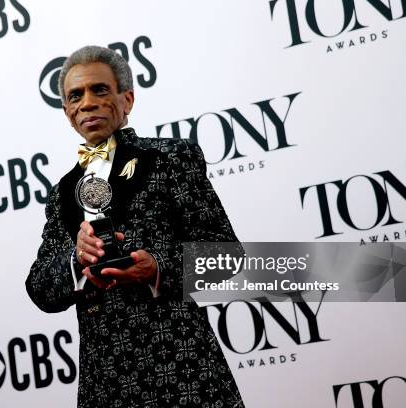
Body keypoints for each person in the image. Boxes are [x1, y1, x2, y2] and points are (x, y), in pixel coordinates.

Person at [26, 45, 244, 408]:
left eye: (100, 90)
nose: (88, 103)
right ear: (67, 113)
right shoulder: (62, 192)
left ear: (127, 100)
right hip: (105, 383)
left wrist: (158, 265)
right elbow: (40, 289)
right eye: (75, 96)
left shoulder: (171, 159)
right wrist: (75, 260)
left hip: (184, 368)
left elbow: (226, 254)